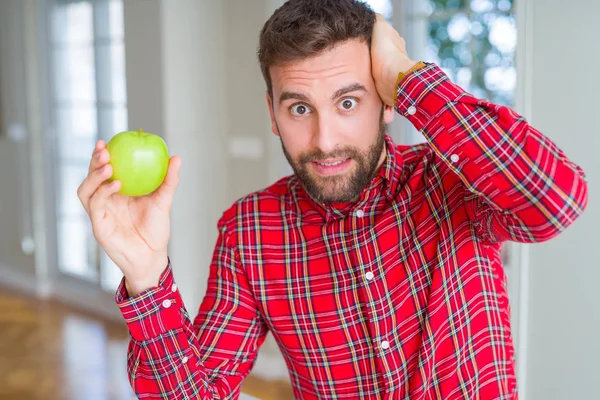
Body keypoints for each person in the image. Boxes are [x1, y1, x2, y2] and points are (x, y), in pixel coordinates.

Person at [77, 0, 588, 398]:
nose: (324, 140)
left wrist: (412, 78)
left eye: (348, 101)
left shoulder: (452, 180)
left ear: (387, 101)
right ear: (273, 114)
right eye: (300, 108)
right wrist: (145, 278)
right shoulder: (250, 233)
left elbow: (557, 200)